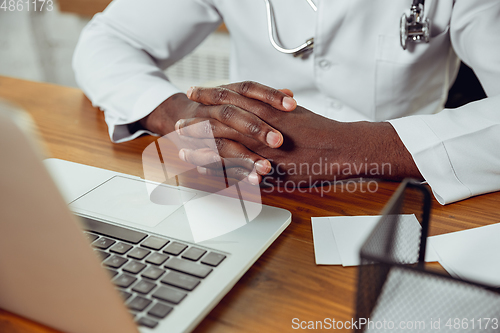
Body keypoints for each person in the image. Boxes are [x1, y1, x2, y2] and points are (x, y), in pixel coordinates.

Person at [73, 0, 500, 205]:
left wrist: (360, 147)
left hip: (409, 187)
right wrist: (179, 114)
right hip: (248, 182)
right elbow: (110, 39)